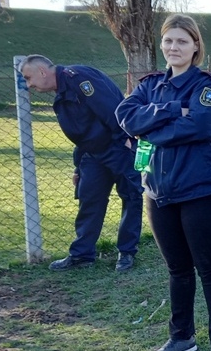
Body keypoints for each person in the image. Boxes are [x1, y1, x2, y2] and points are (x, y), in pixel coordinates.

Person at [115, 14, 211, 351]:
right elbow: (125, 115)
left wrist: (149, 131)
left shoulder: (207, 88)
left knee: (209, 268)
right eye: (168, 41)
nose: (173, 47)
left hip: (201, 191)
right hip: (158, 192)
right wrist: (169, 111)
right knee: (177, 269)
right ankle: (181, 337)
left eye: (182, 41)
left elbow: (201, 124)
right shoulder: (150, 85)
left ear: (196, 46)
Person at [19, 55, 142, 273]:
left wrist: (125, 141)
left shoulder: (79, 79)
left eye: (29, 78)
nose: (29, 85)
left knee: (131, 197)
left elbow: (112, 108)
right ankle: (82, 255)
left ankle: (126, 252)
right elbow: (81, 132)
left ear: (42, 71)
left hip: (117, 147)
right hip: (93, 153)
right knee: (89, 198)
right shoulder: (62, 91)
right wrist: (78, 166)